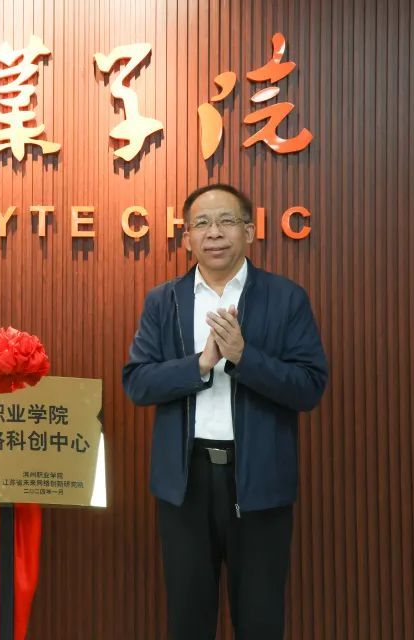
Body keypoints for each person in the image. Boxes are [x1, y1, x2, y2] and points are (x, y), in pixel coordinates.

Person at [122, 184, 328, 639]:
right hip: (185, 483)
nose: (214, 233)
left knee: (259, 620)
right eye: (202, 223)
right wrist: (200, 365)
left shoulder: (285, 298)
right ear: (187, 238)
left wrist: (243, 357)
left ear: (249, 231)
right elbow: (137, 383)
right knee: (189, 620)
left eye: (226, 221)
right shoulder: (164, 301)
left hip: (259, 482)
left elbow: (309, 388)